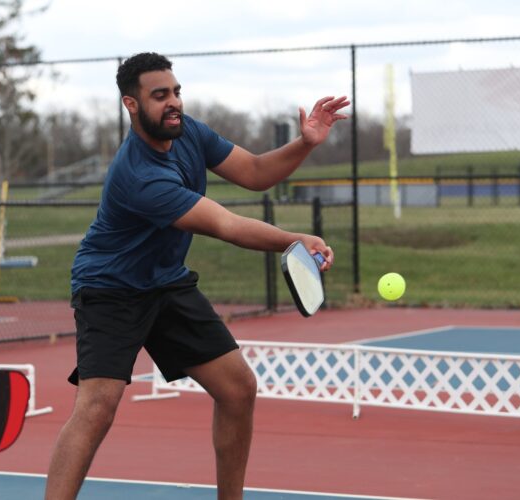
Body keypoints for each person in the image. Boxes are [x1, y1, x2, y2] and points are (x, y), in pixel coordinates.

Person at [44, 52, 349, 500]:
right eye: (160, 95)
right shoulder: (139, 175)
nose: (173, 102)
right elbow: (226, 224)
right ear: (131, 105)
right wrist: (293, 239)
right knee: (97, 407)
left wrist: (305, 143)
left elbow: (256, 172)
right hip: (110, 287)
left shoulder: (190, 133)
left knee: (238, 388)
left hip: (165, 280)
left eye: (177, 91)